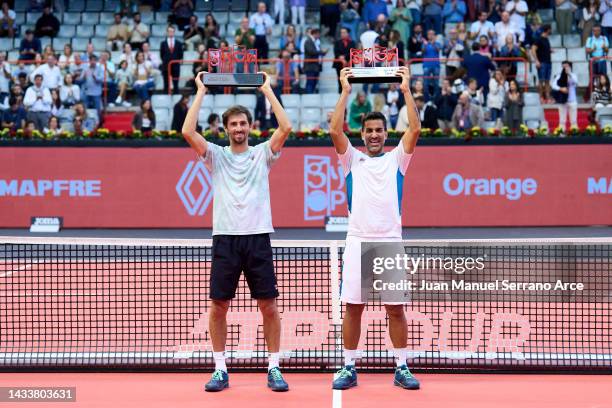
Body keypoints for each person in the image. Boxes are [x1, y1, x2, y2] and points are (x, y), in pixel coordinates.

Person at [182, 71, 292, 393]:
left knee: (269, 306)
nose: (239, 128)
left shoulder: (262, 154)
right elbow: (188, 131)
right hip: (225, 239)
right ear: (226, 128)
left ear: (249, 126)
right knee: (218, 306)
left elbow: (285, 128)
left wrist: (268, 89)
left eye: (243, 123)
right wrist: (201, 90)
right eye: (234, 124)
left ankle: (274, 367)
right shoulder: (216, 156)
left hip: (258, 237)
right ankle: (220, 369)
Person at [328, 65, 421, 391]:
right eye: (368, 130)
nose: (374, 135)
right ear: (362, 132)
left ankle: (401, 366)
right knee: (354, 309)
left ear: (385, 132)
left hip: (390, 242)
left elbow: (415, 130)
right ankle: (349, 367)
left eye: (379, 130)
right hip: (357, 242)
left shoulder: (398, 159)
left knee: (395, 309)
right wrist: (345, 89)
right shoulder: (351, 159)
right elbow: (335, 132)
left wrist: (406, 89)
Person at [552, 60, 578, 130]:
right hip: (562, 100)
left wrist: (569, 74)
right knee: (562, 120)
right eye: (563, 66)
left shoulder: (573, 75)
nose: (565, 68)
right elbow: (553, 85)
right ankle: (561, 132)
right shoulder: (559, 76)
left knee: (573, 120)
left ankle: (574, 132)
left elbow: (575, 82)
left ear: (570, 67)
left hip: (572, 100)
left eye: (567, 66)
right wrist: (561, 88)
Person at [531, 24, 552, 104]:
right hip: (542, 63)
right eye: (550, 29)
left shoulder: (547, 39)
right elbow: (533, 50)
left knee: (547, 81)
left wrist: (549, 51)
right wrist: (536, 61)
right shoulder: (539, 39)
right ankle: (540, 98)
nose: (551, 31)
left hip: (548, 62)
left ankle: (547, 97)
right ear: (547, 30)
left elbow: (543, 49)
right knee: (541, 80)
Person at [160, 25, 184, 94]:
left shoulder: (179, 43)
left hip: (176, 66)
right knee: (166, 84)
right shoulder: (163, 43)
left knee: (176, 84)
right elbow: (161, 55)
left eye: (172, 31)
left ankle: (176, 97)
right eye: (169, 31)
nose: (171, 33)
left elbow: (180, 54)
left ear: (174, 32)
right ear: (167, 32)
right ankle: (166, 99)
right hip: (166, 66)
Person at [334, 27, 355, 93]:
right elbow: (336, 52)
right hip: (339, 64)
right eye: (341, 33)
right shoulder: (337, 42)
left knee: (348, 79)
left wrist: (345, 57)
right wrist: (340, 57)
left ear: (348, 33)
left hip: (349, 63)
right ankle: (340, 93)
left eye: (344, 32)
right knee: (340, 79)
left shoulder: (352, 42)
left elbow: (353, 52)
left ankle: (348, 92)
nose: (342, 34)